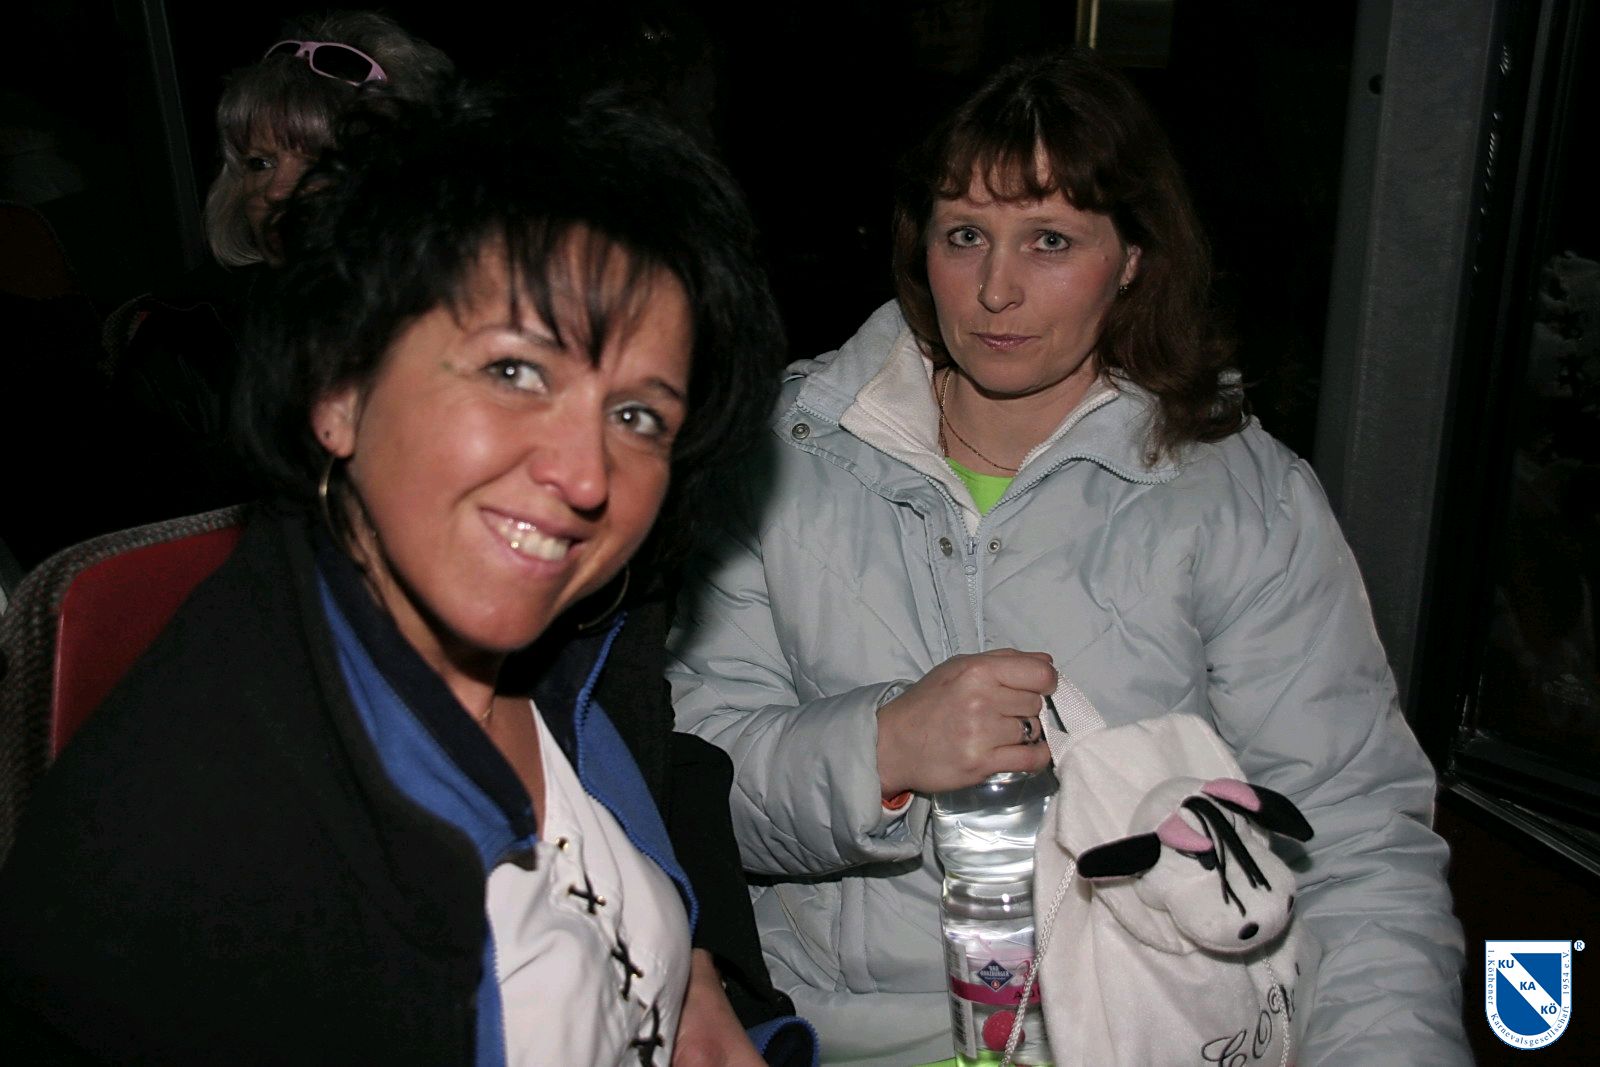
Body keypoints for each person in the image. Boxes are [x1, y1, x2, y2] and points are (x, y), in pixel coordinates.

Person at [667, 49, 1470, 1066]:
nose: (995, 289)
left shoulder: (1237, 496)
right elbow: (685, 780)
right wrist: (881, 748)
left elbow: (1355, 845)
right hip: (842, 1034)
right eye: (965, 235)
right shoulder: (780, 456)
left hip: (1153, 1034)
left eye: (1049, 239)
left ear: (1132, 256)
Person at [0, 86, 814, 1067]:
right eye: (515, 371)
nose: (587, 474)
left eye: (637, 415)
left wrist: (696, 968)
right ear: (339, 390)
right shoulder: (190, 857)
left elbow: (664, 769)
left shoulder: (579, 636)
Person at [103, 12, 455, 532]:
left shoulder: (477, 314)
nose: (277, 191)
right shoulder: (186, 346)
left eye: (319, 157)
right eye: (259, 163)